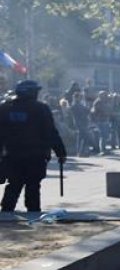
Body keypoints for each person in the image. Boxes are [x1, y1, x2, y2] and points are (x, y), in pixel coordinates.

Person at [0, 80, 67, 213]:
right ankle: (33, 213)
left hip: (12, 154)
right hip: (35, 155)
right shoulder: (40, 108)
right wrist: (60, 152)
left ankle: (6, 213)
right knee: (33, 186)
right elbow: (51, 132)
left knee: (13, 185)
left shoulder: (5, 108)